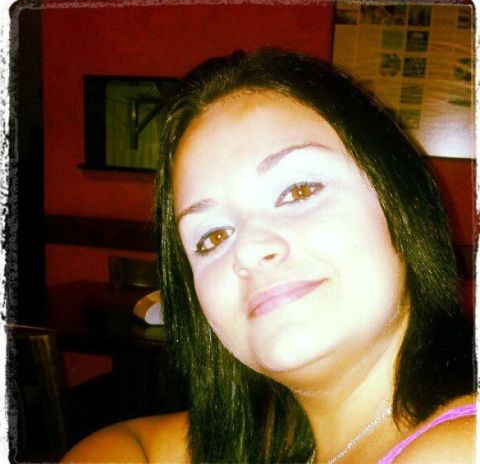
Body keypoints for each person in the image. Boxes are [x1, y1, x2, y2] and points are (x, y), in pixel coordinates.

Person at [62, 49, 475, 463]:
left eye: (298, 190)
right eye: (212, 237)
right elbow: (127, 443)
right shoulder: (284, 439)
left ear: (400, 204)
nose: (248, 249)